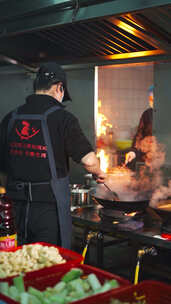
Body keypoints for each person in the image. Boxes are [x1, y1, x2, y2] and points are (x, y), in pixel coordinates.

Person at [0, 62, 106, 249]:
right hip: (48, 211)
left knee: (16, 263)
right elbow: (89, 161)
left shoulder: (10, 118)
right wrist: (98, 173)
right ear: (59, 87)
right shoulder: (63, 118)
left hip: (14, 210)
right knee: (48, 265)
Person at [125, 85, 154, 168]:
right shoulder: (147, 114)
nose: (151, 101)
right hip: (148, 161)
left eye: (153, 98)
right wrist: (133, 152)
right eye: (150, 98)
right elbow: (139, 135)